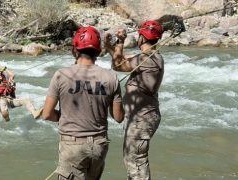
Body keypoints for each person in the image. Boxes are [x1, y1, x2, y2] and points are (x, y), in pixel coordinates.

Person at [41, 26, 125, 180]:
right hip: (99, 147)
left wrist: (64, 116)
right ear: (98, 51)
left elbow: (46, 114)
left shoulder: (60, 75)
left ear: (75, 50)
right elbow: (119, 117)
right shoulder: (111, 77)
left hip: (72, 146)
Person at [104, 20, 171, 180]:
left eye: (139, 34)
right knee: (133, 160)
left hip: (142, 119)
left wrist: (120, 41)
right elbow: (121, 62)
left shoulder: (147, 59)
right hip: (144, 116)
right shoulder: (151, 57)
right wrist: (108, 47)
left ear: (142, 37)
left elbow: (119, 65)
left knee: (135, 162)